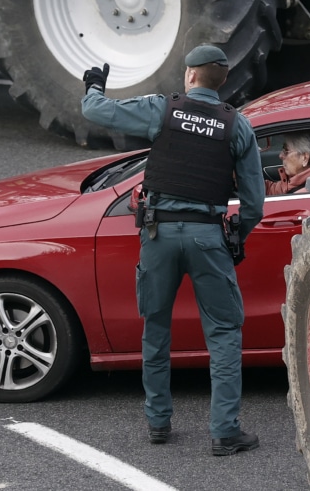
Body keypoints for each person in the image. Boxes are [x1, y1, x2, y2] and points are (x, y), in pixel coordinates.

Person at [80, 45, 265, 456]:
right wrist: (236, 235)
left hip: (158, 236)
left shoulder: (162, 110)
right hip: (207, 237)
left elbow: (96, 112)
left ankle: (159, 423)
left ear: (188, 76)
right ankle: (224, 432)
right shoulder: (237, 125)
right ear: (221, 83)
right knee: (222, 334)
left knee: (156, 328)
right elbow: (254, 201)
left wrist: (94, 86)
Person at [265, 130, 310, 195]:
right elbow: (274, 189)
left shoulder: (305, 192)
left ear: (305, 158)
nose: (280, 155)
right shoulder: (295, 181)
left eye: (286, 150)